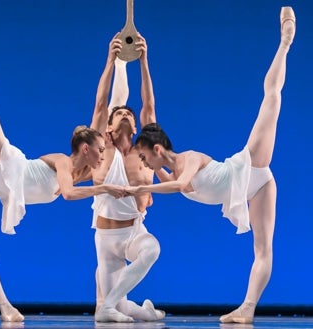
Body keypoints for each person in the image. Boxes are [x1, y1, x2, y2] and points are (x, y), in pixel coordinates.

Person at [0, 0, 126, 322]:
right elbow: (70, 194)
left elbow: (103, 106)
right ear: (84, 148)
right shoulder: (63, 162)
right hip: (2, 164)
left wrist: (117, 62)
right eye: (100, 147)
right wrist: (106, 189)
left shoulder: (87, 171)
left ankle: (5, 307)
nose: (105, 152)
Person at [125, 7, 296, 324]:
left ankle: (285, 41)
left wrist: (140, 187)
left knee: (271, 98)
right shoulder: (167, 170)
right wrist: (140, 61)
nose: (145, 164)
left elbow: (179, 186)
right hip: (257, 189)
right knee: (262, 249)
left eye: (145, 157)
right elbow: (150, 118)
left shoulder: (188, 159)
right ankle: (247, 310)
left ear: (158, 149)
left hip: (248, 166)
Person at [89, 33, 165, 323]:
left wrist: (144, 61)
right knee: (119, 306)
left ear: (136, 127)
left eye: (128, 114)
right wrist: (111, 60)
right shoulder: (101, 148)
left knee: (151, 249)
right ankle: (145, 311)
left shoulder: (144, 151)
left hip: (133, 231)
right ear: (107, 129)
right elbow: (100, 104)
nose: (124, 113)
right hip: (105, 238)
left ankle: (108, 305)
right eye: (118, 112)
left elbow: (149, 105)